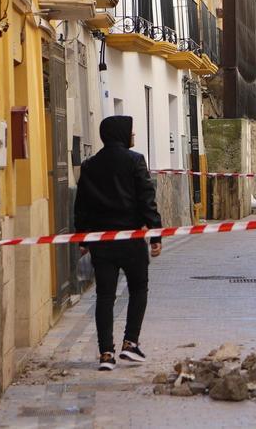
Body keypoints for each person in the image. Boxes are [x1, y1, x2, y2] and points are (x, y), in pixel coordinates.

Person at [74, 116, 162, 371]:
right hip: (131, 241)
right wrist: (155, 235)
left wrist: (83, 237)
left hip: (102, 243)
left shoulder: (90, 165)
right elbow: (147, 200)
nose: (133, 135)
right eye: (130, 131)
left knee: (104, 296)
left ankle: (105, 354)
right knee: (139, 289)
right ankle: (130, 343)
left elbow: (82, 204)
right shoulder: (135, 161)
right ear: (121, 133)